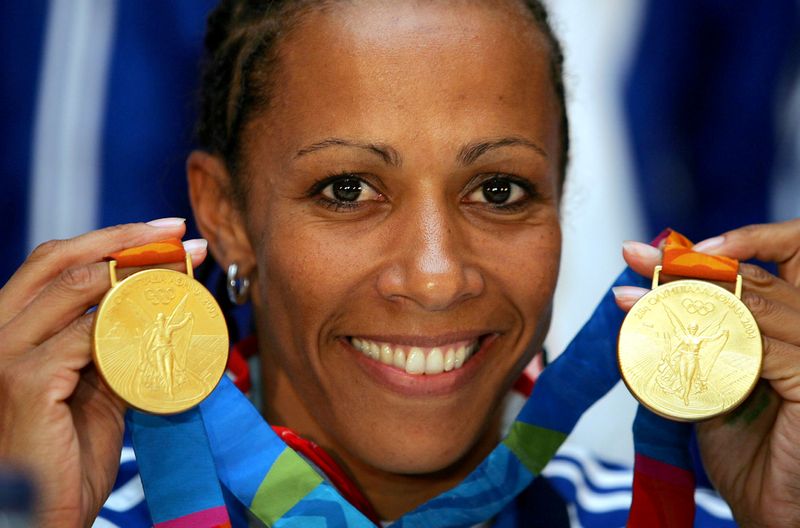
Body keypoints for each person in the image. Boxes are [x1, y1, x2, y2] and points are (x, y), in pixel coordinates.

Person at [1, 0, 799, 526]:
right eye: (348, 189)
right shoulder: (65, 506)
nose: (436, 273)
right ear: (227, 217)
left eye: (498, 188)